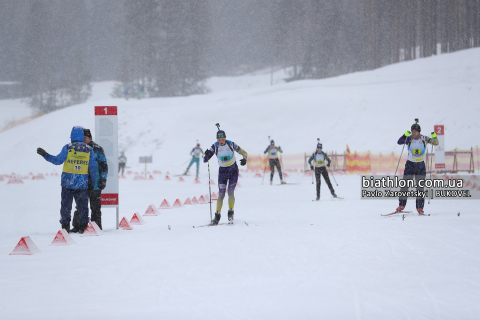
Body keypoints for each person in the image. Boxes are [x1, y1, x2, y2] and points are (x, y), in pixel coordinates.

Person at [36, 126, 98, 233]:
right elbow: (93, 168)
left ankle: (65, 227)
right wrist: (94, 182)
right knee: (83, 206)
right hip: (82, 183)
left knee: (65, 206)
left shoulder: (68, 147)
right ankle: (83, 226)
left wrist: (45, 155)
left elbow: (57, 160)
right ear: (82, 135)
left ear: (72, 136)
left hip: (67, 182)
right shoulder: (89, 149)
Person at [203, 129, 248, 225]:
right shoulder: (215, 146)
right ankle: (217, 216)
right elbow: (205, 160)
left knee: (230, 191)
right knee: (221, 194)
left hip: (233, 171)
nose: (221, 141)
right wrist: (206, 155)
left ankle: (230, 213)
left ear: (225, 138)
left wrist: (244, 159)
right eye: (219, 140)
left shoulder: (231, 144)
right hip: (222, 172)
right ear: (217, 140)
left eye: (222, 139)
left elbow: (244, 152)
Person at [396, 123, 438, 215]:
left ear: (419, 131)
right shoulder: (409, 138)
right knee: (405, 186)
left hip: (420, 166)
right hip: (410, 165)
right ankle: (401, 205)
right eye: (412, 131)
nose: (413, 132)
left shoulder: (424, 139)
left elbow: (436, 143)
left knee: (420, 188)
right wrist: (404, 135)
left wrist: (434, 136)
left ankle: (420, 208)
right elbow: (399, 142)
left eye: (415, 131)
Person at [71, 129, 108, 231]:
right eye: (82, 138)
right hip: (81, 184)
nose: (83, 140)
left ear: (90, 138)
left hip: (95, 184)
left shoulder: (98, 149)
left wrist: (103, 179)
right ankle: (78, 227)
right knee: (80, 206)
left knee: (95, 207)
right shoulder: (77, 150)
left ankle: (96, 227)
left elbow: (104, 165)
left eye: (85, 138)